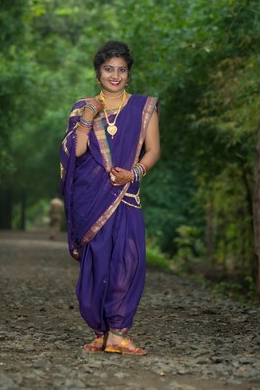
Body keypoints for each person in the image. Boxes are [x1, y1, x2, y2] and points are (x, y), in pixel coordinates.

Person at [60, 40, 160, 355]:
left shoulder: (144, 107)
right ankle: (100, 332)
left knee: (131, 261)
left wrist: (134, 173)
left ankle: (118, 333)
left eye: (121, 70)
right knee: (97, 264)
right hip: (92, 200)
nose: (115, 76)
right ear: (98, 73)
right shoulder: (82, 106)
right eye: (108, 69)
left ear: (128, 75)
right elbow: (76, 153)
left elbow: (153, 150)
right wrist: (89, 115)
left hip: (126, 196)